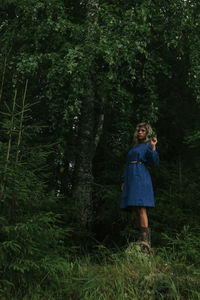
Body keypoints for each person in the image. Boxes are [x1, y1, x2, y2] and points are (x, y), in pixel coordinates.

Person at [120, 122, 159, 247]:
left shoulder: (148, 145)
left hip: (141, 176)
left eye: (142, 130)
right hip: (131, 177)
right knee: (133, 208)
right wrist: (124, 180)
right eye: (139, 130)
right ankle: (141, 234)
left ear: (147, 132)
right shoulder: (133, 147)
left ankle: (145, 239)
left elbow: (154, 162)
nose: (140, 132)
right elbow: (127, 165)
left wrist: (153, 147)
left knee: (141, 206)